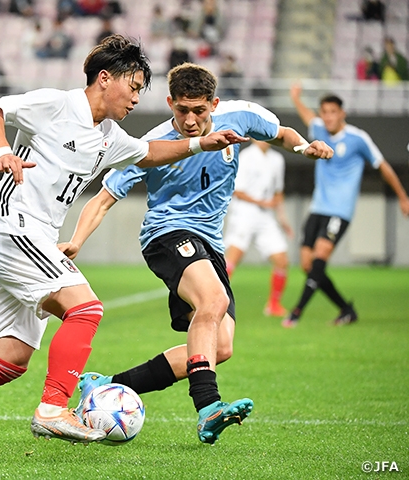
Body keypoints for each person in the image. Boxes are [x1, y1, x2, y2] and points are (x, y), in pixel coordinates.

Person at [0, 35, 248, 453]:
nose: (135, 99)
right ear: (105, 79)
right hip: (16, 229)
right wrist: (3, 151)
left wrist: (202, 142)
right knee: (86, 308)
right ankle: (54, 409)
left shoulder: (108, 135)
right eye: (133, 87)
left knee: (10, 360)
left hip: (32, 239)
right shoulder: (58, 104)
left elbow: (149, 153)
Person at [57, 62, 333, 445]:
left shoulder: (241, 116)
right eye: (181, 110)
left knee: (221, 346)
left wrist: (305, 146)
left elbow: (282, 133)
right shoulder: (153, 145)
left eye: (199, 111)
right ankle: (208, 406)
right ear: (170, 102)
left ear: (214, 105)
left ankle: (104, 386)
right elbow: (104, 198)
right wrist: (76, 241)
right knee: (213, 299)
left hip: (210, 244)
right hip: (166, 235)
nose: (189, 120)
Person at [284, 85, 409, 327]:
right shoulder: (318, 128)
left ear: (342, 113)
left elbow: (382, 165)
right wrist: (295, 98)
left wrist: (403, 197)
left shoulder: (357, 138)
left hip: (339, 211)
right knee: (308, 265)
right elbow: (308, 117)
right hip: (317, 207)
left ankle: (296, 312)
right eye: (324, 112)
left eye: (332, 111)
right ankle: (346, 309)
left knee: (320, 259)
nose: (328, 117)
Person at [224, 140, 293, 317]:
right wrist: (262, 202)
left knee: (282, 260)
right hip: (244, 213)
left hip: (266, 216)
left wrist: (282, 217)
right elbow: (237, 191)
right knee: (232, 259)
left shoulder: (277, 159)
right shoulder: (246, 157)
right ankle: (216, 301)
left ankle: (273, 304)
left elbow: (278, 192)